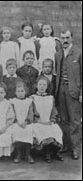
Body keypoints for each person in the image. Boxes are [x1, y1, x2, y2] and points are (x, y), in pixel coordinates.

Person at [55, 29, 82, 160]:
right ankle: (66, 144)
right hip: (61, 90)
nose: (65, 40)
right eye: (62, 38)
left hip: (73, 91)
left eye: (67, 38)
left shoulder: (79, 53)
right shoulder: (58, 53)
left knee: (75, 120)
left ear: (72, 38)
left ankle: (75, 147)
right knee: (63, 119)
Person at [32, 76, 64, 163]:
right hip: (38, 122)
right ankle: (47, 153)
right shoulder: (33, 98)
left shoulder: (50, 98)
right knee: (40, 130)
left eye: (44, 85)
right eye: (40, 84)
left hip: (48, 122)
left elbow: (54, 111)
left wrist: (52, 120)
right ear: (36, 86)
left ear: (47, 87)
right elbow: (32, 112)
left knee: (55, 129)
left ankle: (55, 151)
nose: (42, 86)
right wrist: (40, 121)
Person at [10, 81, 37, 164]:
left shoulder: (29, 101)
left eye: (22, 91)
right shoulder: (13, 101)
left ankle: (27, 154)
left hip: (26, 123)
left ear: (25, 91)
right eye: (18, 91)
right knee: (16, 130)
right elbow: (12, 113)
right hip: (16, 122)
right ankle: (19, 153)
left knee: (28, 130)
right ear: (15, 92)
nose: (20, 93)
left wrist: (27, 121)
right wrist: (17, 122)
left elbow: (30, 114)